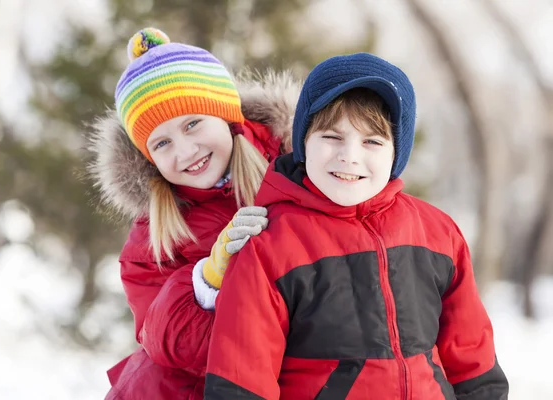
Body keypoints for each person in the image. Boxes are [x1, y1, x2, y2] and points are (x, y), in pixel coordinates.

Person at [204, 53, 509, 399]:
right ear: (304, 141)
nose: (349, 155)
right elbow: (241, 380)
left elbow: (472, 357)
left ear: (396, 153)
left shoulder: (437, 233)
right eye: (332, 137)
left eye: (372, 141)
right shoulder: (270, 245)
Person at [88, 27, 300, 399]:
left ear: (226, 115)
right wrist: (207, 280)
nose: (186, 152)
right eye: (162, 143)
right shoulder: (150, 241)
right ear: (149, 157)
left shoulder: (296, 171)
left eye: (193, 123)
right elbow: (168, 339)